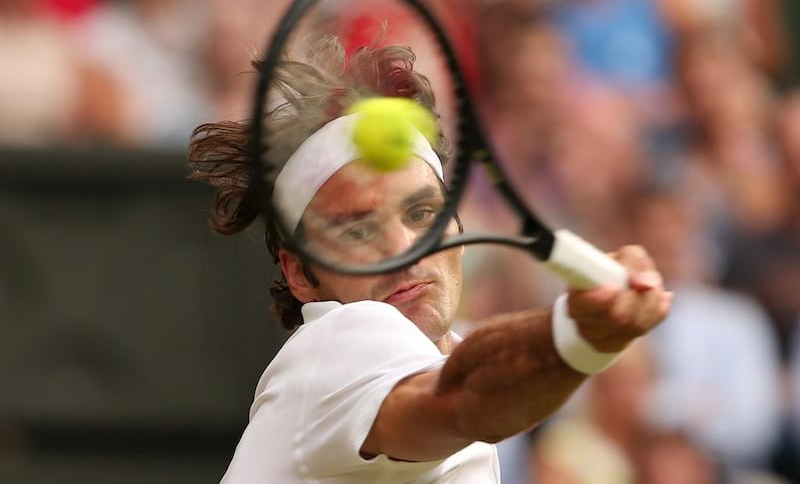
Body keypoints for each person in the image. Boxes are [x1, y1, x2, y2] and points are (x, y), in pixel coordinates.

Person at [187, 37, 671, 483]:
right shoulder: (336, 346)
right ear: (300, 275)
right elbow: (462, 398)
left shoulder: (445, 359)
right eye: (357, 230)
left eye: (421, 213)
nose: (405, 247)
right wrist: (579, 334)